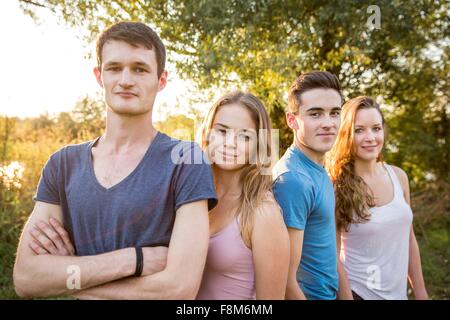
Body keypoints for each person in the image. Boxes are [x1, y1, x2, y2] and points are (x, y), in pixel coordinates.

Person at [13, 21, 217, 299]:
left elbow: (178, 289)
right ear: (99, 76)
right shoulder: (62, 164)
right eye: (114, 68)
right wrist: (135, 261)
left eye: (140, 69)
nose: (126, 80)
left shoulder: (187, 160)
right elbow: (27, 279)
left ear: (162, 80)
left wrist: (70, 277)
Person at [326, 96, 428, 300]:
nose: (370, 137)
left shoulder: (399, 176)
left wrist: (420, 291)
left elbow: (409, 238)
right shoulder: (336, 186)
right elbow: (332, 255)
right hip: (359, 293)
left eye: (376, 128)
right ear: (346, 135)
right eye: (359, 130)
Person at [196, 91, 290, 299]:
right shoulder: (193, 198)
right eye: (222, 131)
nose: (230, 143)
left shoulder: (263, 213)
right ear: (207, 134)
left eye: (244, 136)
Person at [272, 71, 342, 300]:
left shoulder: (317, 169)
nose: (328, 123)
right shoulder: (293, 180)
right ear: (292, 120)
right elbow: (284, 279)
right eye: (315, 114)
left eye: (334, 113)